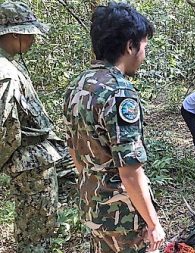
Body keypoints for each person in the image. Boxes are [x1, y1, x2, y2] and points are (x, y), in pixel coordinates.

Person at [63, 2, 165, 252]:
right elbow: (129, 172)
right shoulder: (120, 93)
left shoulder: (78, 85)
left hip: (91, 203)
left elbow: (74, 153)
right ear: (130, 46)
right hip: (122, 215)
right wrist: (153, 224)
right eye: (144, 47)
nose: (144, 54)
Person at [0, 2, 63, 251]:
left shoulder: (8, 64)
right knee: (36, 233)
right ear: (14, 34)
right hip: (30, 165)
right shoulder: (4, 71)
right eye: (29, 33)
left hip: (35, 159)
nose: (33, 39)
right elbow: (5, 128)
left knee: (40, 226)